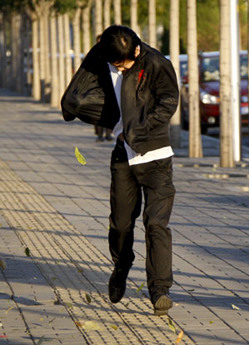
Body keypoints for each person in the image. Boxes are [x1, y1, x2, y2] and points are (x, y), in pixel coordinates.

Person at [61, 25, 178, 316]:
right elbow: (81, 83)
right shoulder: (104, 57)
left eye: (131, 57)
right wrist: (71, 104)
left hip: (156, 156)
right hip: (122, 157)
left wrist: (137, 130)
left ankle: (159, 290)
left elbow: (169, 101)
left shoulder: (156, 63)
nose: (128, 62)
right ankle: (121, 265)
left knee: (155, 224)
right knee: (121, 224)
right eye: (121, 63)